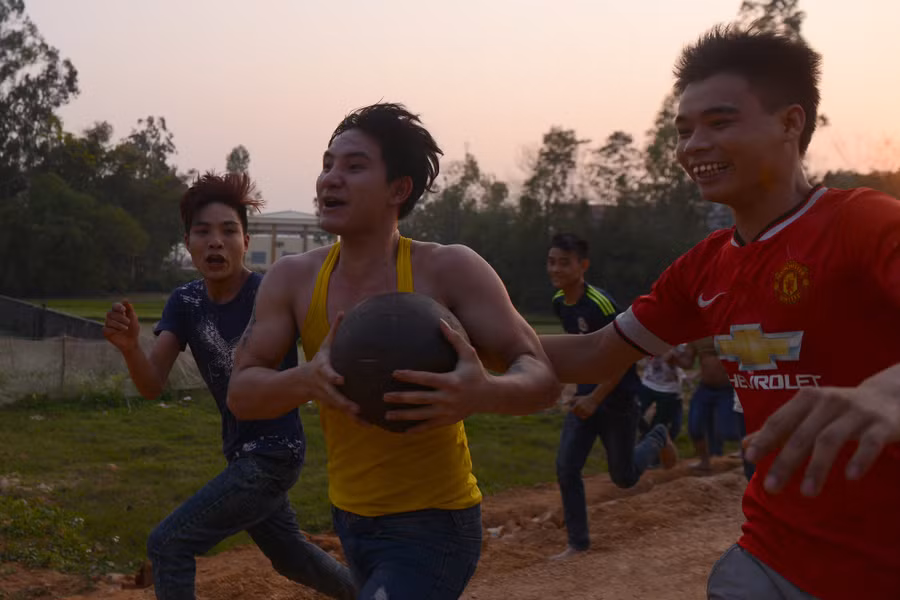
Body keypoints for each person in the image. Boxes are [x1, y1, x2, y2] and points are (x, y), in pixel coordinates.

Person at [539, 26, 900, 600]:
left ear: (790, 122)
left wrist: (890, 391)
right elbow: (593, 351)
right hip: (769, 561)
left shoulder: (863, 222)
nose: (691, 146)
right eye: (683, 131)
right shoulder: (703, 268)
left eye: (720, 122)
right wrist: (459, 337)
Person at [227, 103, 560, 599]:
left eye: (354, 166)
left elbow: (540, 377)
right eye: (327, 165)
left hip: (436, 521)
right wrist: (306, 381)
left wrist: (482, 392)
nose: (330, 179)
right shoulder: (292, 279)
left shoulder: (449, 270)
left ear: (398, 189)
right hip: (351, 517)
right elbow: (242, 393)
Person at [103, 172, 355, 600]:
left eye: (228, 231)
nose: (215, 242)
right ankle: (373, 593)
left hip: (276, 453)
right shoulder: (185, 303)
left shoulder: (269, 293)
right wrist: (130, 348)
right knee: (291, 555)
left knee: (169, 543)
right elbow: (151, 385)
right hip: (240, 454)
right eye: (202, 232)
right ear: (187, 243)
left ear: (245, 239)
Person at [546, 232, 677, 560]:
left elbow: (625, 354)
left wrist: (595, 398)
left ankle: (658, 436)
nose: (555, 269)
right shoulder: (559, 303)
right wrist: (572, 390)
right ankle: (578, 543)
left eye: (564, 262)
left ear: (583, 265)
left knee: (624, 477)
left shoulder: (601, 304)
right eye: (551, 262)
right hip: (586, 399)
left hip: (617, 400)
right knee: (566, 467)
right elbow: (579, 352)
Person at [675, 337, 739, 471]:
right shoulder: (698, 336)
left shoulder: (730, 331)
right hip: (705, 388)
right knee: (695, 426)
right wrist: (672, 356)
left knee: (729, 432)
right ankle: (705, 462)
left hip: (728, 389)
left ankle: (744, 455)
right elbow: (687, 363)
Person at [637, 350, 685, 442]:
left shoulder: (680, 344)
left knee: (659, 424)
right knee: (634, 413)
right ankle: (645, 437)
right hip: (648, 383)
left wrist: (674, 357)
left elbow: (687, 363)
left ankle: (649, 444)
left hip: (669, 390)